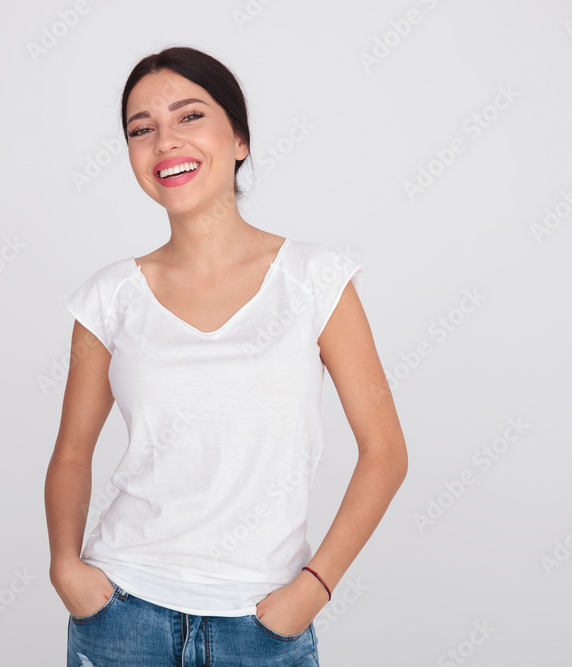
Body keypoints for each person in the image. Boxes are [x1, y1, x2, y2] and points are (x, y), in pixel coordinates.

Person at [45, 45, 408, 666]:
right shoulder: (109, 296)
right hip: (122, 618)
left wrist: (312, 590)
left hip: (262, 626)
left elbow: (386, 452)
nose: (165, 141)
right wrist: (65, 568)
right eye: (141, 129)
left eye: (189, 116)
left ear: (239, 139)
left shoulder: (315, 279)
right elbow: (73, 453)